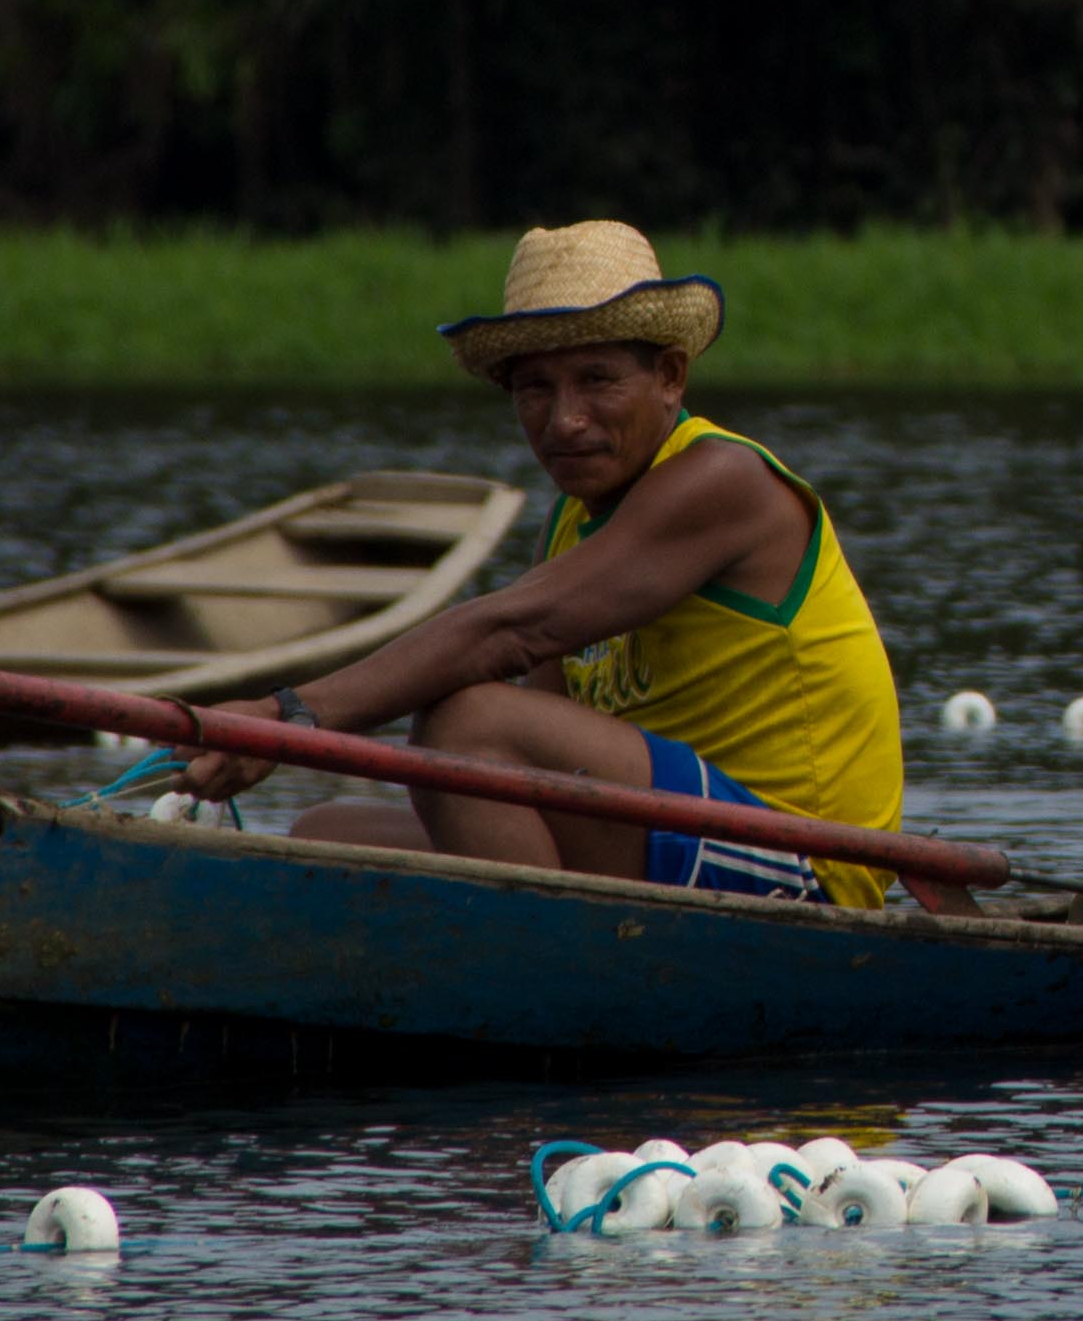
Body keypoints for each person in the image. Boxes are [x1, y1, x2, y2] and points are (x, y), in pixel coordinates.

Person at [179, 221, 912, 906]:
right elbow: (541, 730)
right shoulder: (570, 524)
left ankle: (547, 984)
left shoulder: (724, 479)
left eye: (597, 379)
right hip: (680, 835)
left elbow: (510, 631)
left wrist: (286, 718)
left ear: (670, 375)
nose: (564, 420)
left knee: (465, 720)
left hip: (803, 865)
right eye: (536, 388)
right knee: (327, 835)